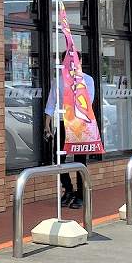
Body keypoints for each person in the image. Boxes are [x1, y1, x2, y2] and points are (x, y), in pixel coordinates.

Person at [44, 72, 96, 209]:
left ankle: (81, 195)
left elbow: (88, 101)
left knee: (80, 159)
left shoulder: (87, 79)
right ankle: (68, 189)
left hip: (79, 122)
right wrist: (47, 124)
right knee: (58, 157)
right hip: (63, 122)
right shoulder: (59, 80)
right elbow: (51, 103)